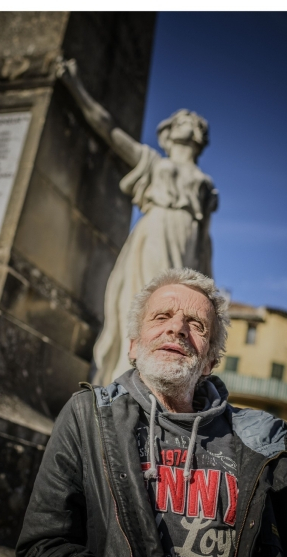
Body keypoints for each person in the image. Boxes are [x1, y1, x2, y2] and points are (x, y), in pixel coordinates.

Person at [16, 268, 287, 557]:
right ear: (134, 346)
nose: (176, 328)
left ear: (209, 362)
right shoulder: (88, 416)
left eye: (196, 324)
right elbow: (43, 547)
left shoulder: (267, 441)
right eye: (162, 316)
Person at [57, 60, 219, 385]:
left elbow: (204, 240)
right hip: (155, 235)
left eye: (194, 120)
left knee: (179, 309)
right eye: (182, 119)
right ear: (169, 132)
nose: (190, 122)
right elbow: (110, 131)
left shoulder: (205, 184)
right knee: (147, 302)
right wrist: (75, 87)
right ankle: (128, 376)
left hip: (185, 244)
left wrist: (206, 286)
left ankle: (166, 378)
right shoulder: (155, 164)